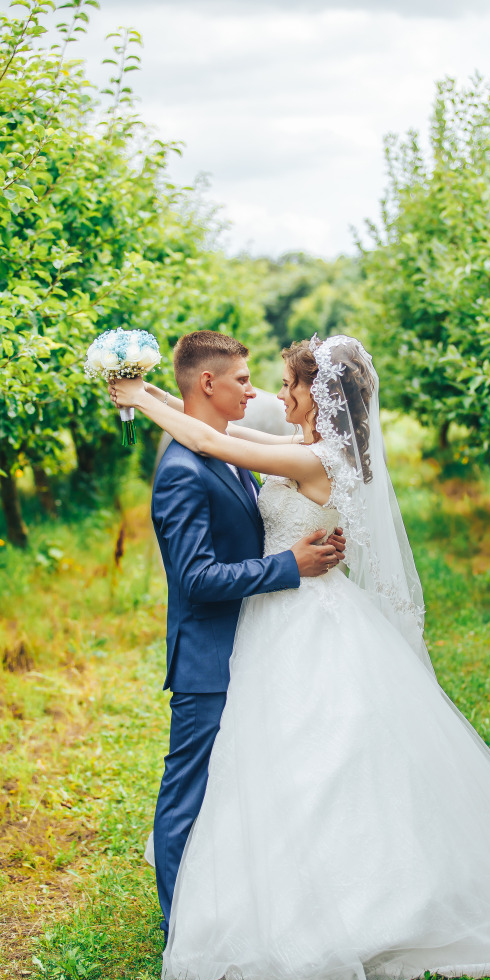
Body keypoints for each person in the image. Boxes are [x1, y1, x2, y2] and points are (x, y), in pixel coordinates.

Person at [110, 334, 490, 980]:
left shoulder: (314, 457)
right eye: (254, 381)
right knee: (284, 765)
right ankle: (255, 897)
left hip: (299, 617)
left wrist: (138, 398)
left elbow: (215, 442)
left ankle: (335, 905)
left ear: (319, 396)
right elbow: (213, 422)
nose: (274, 395)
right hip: (284, 616)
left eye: (287, 386)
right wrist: (147, 390)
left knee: (315, 763)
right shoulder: (316, 448)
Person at [129, 330, 346, 945]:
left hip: (260, 642)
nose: (260, 393)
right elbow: (195, 579)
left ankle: (255, 908)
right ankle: (181, 928)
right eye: (246, 381)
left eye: (273, 382)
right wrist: (289, 565)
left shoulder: (222, 448)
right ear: (208, 384)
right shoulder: (182, 466)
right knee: (188, 792)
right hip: (209, 653)